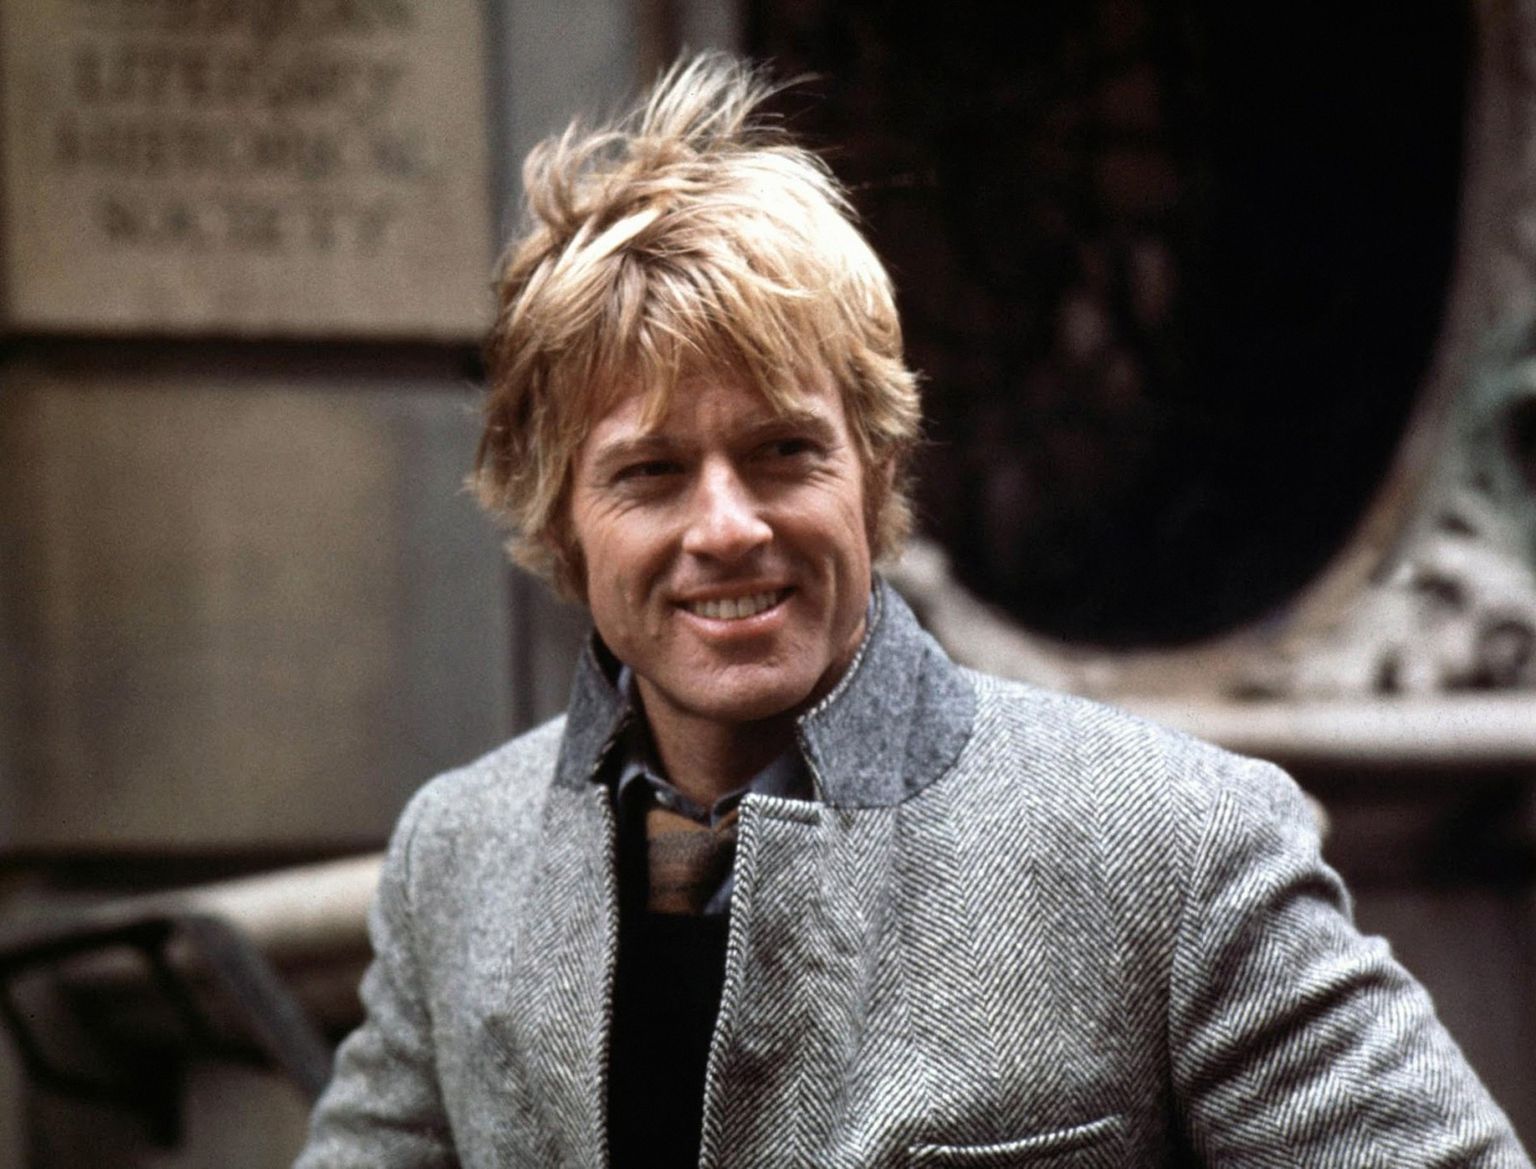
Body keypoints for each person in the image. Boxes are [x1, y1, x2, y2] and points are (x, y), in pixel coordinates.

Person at [296, 53, 1531, 1168]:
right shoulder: (455, 857)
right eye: (651, 472)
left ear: (877, 468)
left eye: (784, 451)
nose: (726, 525)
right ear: (560, 519)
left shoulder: (1176, 846)